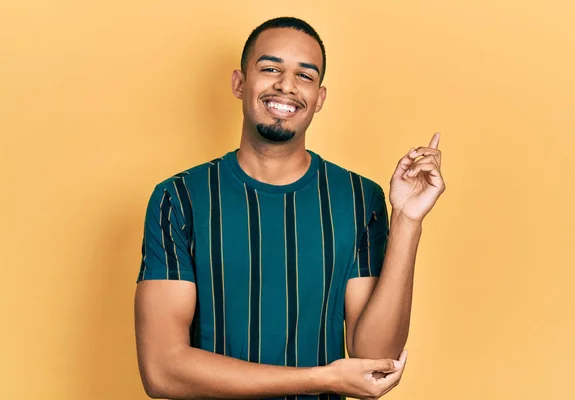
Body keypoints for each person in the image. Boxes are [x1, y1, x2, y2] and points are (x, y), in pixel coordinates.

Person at [134, 16, 445, 400]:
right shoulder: (179, 198)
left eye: (305, 76)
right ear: (239, 83)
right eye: (270, 68)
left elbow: (374, 359)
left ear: (319, 98)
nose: (286, 85)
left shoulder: (361, 198)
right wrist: (322, 378)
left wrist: (408, 221)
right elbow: (162, 371)